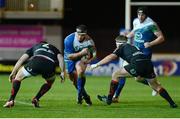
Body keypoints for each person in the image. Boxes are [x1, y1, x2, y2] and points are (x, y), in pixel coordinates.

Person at [90, 35, 177, 108]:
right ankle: (172, 103)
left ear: (118, 43)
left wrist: (97, 64)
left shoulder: (121, 47)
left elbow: (110, 57)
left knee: (115, 74)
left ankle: (109, 99)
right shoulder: (133, 46)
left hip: (137, 64)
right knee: (151, 84)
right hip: (148, 63)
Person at [112, 6, 165, 102]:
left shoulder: (151, 24)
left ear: (146, 15)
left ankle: (156, 86)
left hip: (145, 53)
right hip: (134, 51)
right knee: (121, 73)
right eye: (139, 14)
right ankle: (116, 97)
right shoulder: (136, 21)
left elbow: (161, 38)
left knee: (138, 79)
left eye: (142, 14)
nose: (140, 17)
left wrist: (150, 43)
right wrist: (127, 36)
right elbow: (135, 31)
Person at [3, 41, 65, 108]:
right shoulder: (54, 48)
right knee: (49, 82)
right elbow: (61, 58)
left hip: (36, 62)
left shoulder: (35, 46)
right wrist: (62, 72)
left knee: (18, 78)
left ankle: (10, 100)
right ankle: (36, 98)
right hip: (49, 65)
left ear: (40, 44)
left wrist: (13, 72)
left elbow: (21, 59)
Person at [64, 24, 96, 106]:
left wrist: (90, 60)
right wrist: (81, 53)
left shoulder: (90, 41)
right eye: (78, 34)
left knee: (80, 71)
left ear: (85, 34)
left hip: (81, 59)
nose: (80, 37)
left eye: (82, 35)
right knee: (74, 81)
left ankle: (79, 96)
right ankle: (85, 96)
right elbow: (70, 56)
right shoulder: (69, 39)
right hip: (69, 58)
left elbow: (94, 52)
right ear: (76, 32)